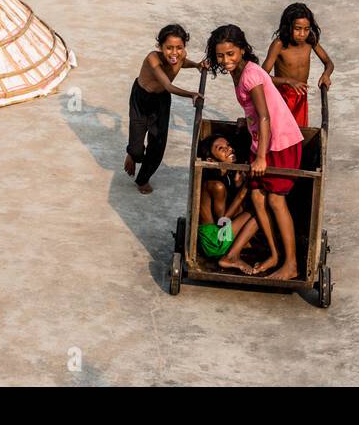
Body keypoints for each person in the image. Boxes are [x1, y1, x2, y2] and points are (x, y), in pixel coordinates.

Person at [205, 24, 304, 280]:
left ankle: (290, 263)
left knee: (275, 200)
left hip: (280, 142)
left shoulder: (248, 73)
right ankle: (273, 255)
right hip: (262, 139)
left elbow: (265, 115)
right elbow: (259, 105)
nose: (225, 60)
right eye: (220, 55)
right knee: (258, 198)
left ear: (242, 50)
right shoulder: (240, 72)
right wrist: (245, 119)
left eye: (230, 54)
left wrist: (260, 157)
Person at [125, 24, 205, 194]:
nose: (174, 53)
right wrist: (191, 94)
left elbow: (182, 62)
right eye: (169, 48)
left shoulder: (180, 56)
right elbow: (168, 85)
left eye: (179, 48)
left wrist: (197, 65)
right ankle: (132, 154)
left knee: (158, 144)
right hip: (141, 98)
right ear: (160, 47)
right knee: (137, 148)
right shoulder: (152, 58)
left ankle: (143, 179)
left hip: (161, 101)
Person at [262, 3, 334, 127]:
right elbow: (261, 77)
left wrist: (326, 74)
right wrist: (288, 81)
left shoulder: (310, 40)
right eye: (297, 29)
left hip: (301, 96)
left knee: (299, 132)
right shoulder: (279, 44)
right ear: (288, 27)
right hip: (282, 97)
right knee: (281, 133)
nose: (302, 34)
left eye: (306, 29)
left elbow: (329, 62)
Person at [195, 135, 260, 269]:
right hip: (214, 241)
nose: (229, 149)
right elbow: (223, 221)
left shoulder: (226, 176)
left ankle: (240, 245)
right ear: (210, 160)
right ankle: (232, 257)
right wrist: (242, 190)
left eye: (228, 145)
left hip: (217, 236)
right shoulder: (216, 185)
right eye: (221, 149)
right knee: (259, 212)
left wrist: (237, 186)